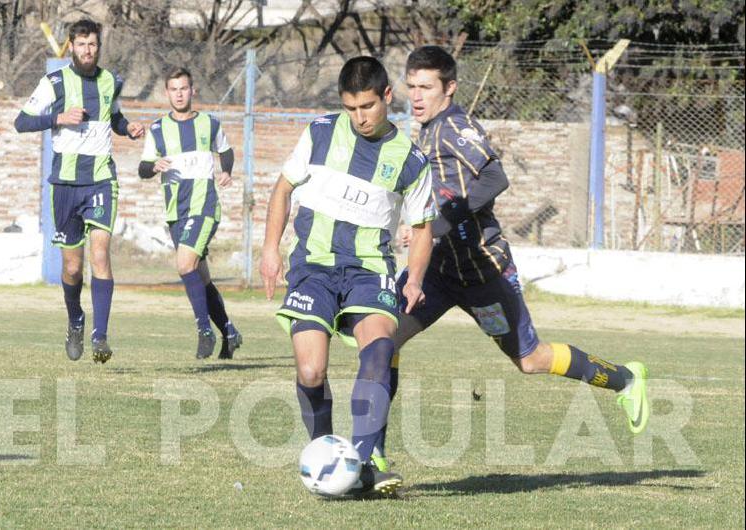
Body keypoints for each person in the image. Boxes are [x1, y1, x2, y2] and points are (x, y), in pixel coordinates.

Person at [371, 45, 650, 470]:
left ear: (450, 88)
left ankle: (626, 380)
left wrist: (438, 222)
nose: (417, 95)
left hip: (484, 272)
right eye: (411, 86)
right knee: (383, 336)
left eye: (426, 87)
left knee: (531, 359)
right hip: (439, 272)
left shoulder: (455, 127)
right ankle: (374, 452)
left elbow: (495, 178)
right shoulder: (423, 129)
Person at [259, 57, 436, 496]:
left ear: (387, 97)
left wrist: (414, 277)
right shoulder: (321, 132)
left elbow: (421, 228)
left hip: (369, 270)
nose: (359, 117)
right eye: (352, 107)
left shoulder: (411, 161)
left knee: (378, 349)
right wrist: (269, 249)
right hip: (312, 267)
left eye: (368, 106)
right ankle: (324, 454)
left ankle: (362, 462)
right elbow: (283, 188)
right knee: (311, 369)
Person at [14, 19, 145, 363]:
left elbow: (113, 117)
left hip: (102, 180)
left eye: (93, 45)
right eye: (82, 44)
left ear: (99, 47)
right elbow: (22, 121)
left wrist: (127, 127)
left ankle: (100, 336)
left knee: (100, 255)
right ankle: (76, 319)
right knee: (72, 268)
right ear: (71, 46)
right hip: (65, 185)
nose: (88, 50)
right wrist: (57, 118)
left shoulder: (110, 82)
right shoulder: (54, 82)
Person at [138, 67, 242, 360]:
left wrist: (227, 170)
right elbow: (143, 168)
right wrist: (153, 167)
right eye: (174, 89)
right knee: (201, 277)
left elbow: (226, 149)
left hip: (204, 207)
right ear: (167, 93)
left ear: (192, 90)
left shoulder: (209, 124)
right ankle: (230, 332)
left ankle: (204, 330)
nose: (180, 94)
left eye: (184, 88)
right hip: (176, 212)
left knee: (184, 264)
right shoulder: (158, 129)